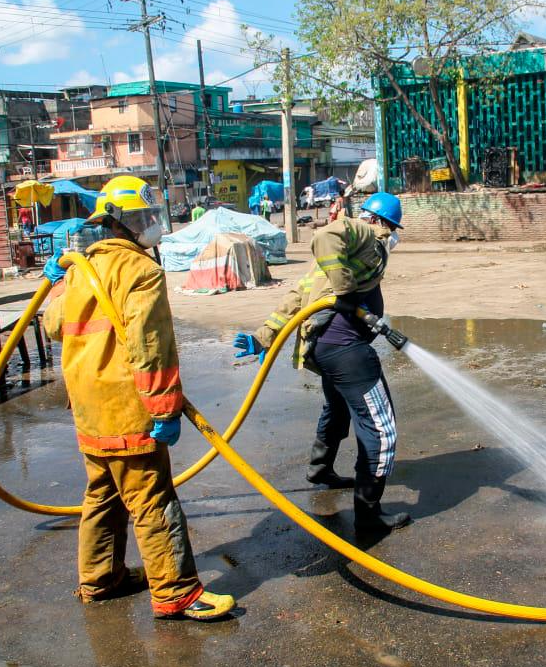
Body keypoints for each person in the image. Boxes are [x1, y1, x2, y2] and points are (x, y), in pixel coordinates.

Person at [43, 175, 235, 622]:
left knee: (103, 495)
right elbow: (151, 349)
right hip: (128, 408)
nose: (151, 225)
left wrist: (56, 283)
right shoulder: (141, 272)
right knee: (152, 498)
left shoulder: (80, 269)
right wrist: (164, 408)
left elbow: (53, 326)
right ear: (124, 223)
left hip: (89, 410)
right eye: (144, 217)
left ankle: (101, 578)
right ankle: (177, 592)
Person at [233, 193, 409, 533]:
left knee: (339, 408)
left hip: (323, 346)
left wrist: (264, 335)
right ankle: (369, 519)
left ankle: (320, 468)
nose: (392, 234)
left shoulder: (337, 258)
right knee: (381, 432)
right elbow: (326, 234)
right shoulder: (369, 234)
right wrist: (345, 291)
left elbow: (298, 296)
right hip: (345, 348)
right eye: (391, 227)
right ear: (380, 221)